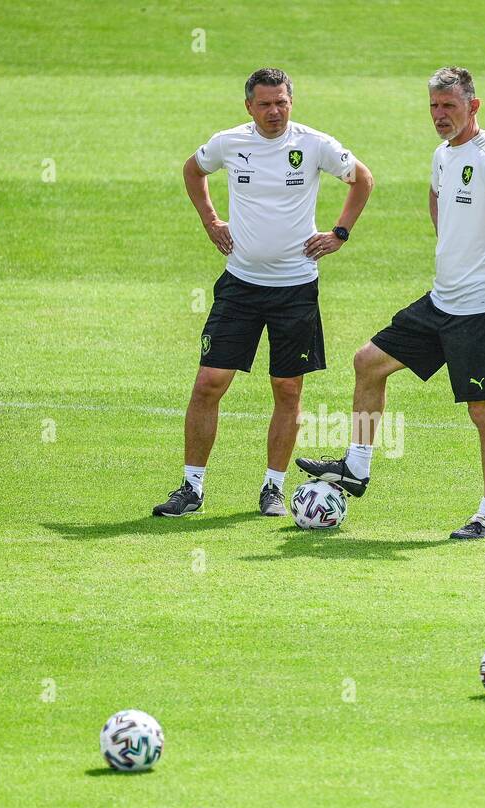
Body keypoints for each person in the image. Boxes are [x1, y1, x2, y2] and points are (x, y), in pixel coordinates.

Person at [297, 67, 485, 539]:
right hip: (443, 301)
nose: (439, 115)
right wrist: (451, 239)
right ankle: (356, 467)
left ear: (473, 107)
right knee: (368, 363)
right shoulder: (443, 154)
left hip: (482, 309)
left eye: (449, 106)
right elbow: (436, 195)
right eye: (433, 106)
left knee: (484, 411)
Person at [153, 68, 374, 518]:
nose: (275, 112)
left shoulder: (313, 144)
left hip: (296, 288)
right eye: (265, 104)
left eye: (282, 103)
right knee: (208, 384)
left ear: (291, 102)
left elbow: (363, 179)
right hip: (240, 286)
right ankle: (191, 488)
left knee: (287, 389)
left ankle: (273, 488)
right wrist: (211, 220)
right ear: (249, 106)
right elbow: (193, 170)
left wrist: (340, 233)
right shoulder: (229, 143)